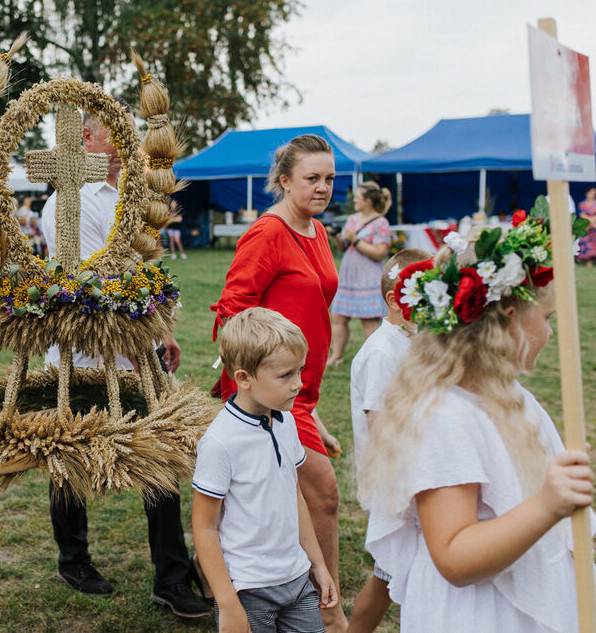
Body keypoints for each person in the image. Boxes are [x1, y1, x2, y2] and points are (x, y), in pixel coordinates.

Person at [358, 213, 592, 632]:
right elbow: (454, 555)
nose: (552, 333)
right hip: (479, 615)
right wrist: (547, 504)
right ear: (506, 318)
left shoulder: (512, 398)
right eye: (548, 319)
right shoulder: (443, 417)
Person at [40, 110, 204, 619]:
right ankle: (74, 558)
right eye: (119, 134)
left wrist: (163, 333)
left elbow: (139, 272)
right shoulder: (66, 202)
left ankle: (172, 578)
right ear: (85, 138)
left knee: (159, 449)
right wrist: (140, 347)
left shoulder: (133, 196)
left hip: (136, 343)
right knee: (71, 453)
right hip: (80, 351)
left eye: (131, 135)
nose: (129, 143)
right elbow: (96, 284)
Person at [209, 134, 346, 631]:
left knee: (268, 496)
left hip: (301, 393)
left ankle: (286, 592)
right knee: (323, 493)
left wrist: (313, 407)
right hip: (269, 395)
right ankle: (330, 614)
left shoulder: (317, 230)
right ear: (284, 181)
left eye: (330, 178)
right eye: (312, 178)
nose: (324, 186)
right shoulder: (268, 232)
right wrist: (253, 386)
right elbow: (233, 309)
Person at [193, 307, 338, 632]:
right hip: (249, 589)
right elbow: (204, 528)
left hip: (298, 580)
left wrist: (317, 563)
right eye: (286, 375)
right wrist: (228, 603)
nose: (298, 384)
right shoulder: (220, 442)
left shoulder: (285, 421)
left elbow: (294, 495)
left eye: (300, 371)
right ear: (243, 378)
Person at [346, 247, 430, 633]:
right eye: (424, 293)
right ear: (396, 299)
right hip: (398, 480)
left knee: (402, 575)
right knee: (387, 577)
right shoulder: (382, 351)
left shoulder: (412, 339)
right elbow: (381, 427)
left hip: (416, 470)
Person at [326, 181, 392, 367]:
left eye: (358, 197)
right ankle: (336, 356)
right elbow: (343, 247)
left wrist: (355, 240)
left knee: (369, 321)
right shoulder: (353, 219)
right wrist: (335, 236)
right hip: (349, 276)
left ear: (368, 201)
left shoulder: (381, 222)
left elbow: (380, 252)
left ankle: (373, 359)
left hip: (368, 276)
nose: (354, 200)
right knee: (338, 317)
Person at [577, 187, 596, 266]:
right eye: (591, 192)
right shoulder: (582, 204)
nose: (593, 194)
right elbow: (582, 214)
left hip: (595, 226)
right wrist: (590, 221)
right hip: (586, 227)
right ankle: (588, 262)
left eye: (594, 192)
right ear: (587, 193)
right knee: (586, 244)